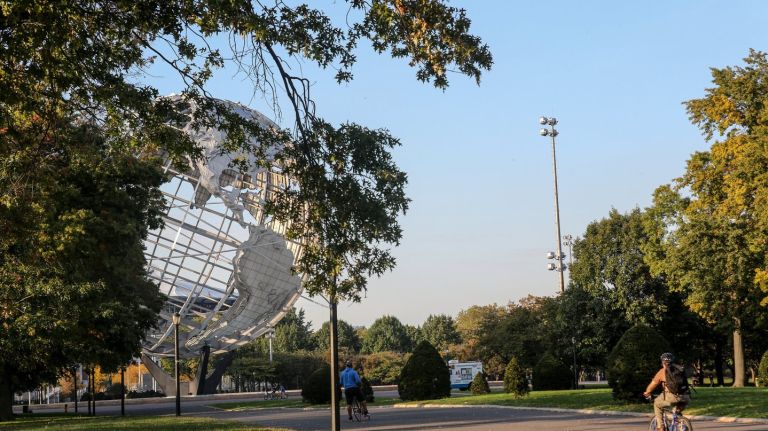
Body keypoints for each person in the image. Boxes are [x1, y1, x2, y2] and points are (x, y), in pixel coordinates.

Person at [643, 352, 690, 431]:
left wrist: (647, 392)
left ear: (662, 362)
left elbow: (653, 384)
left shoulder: (662, 371)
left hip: (672, 397)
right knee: (677, 411)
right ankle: (680, 422)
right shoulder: (679, 369)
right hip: (686, 397)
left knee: (657, 404)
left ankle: (660, 427)